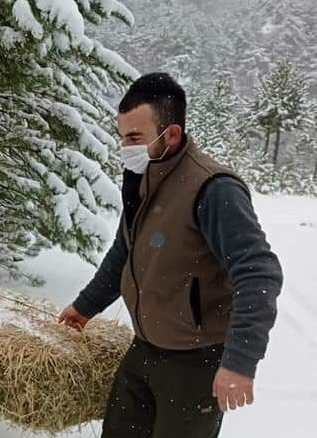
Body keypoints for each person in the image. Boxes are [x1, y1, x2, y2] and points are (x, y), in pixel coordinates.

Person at [58, 72, 283, 437]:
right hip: (144, 348)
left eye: (134, 138)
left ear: (171, 135)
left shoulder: (213, 188)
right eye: (121, 137)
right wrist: (85, 307)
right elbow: (123, 254)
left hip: (195, 364)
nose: (124, 148)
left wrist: (240, 362)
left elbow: (260, 274)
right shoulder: (142, 178)